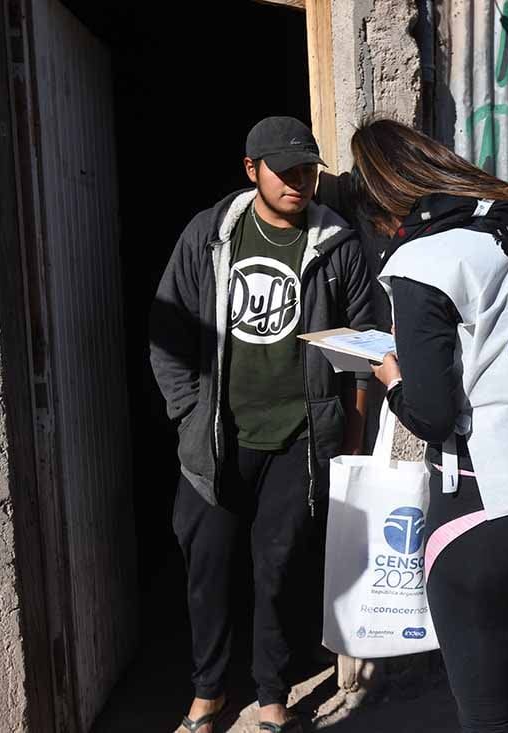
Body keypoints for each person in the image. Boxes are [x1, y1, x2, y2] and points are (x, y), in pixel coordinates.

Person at [350, 118, 508, 733]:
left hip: (486, 512)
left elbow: (433, 413)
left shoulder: (424, 260)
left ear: (385, 199)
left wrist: (392, 378)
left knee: (488, 713)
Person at [149, 116, 374, 733]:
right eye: (286, 171)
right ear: (252, 170)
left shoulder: (337, 245)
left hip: (299, 441)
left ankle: (272, 691)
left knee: (278, 571)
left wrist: (348, 443)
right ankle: (209, 690)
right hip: (215, 439)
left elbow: (360, 354)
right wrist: (186, 413)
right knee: (208, 568)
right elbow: (167, 332)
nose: (300, 181)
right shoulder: (210, 237)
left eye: (308, 170)